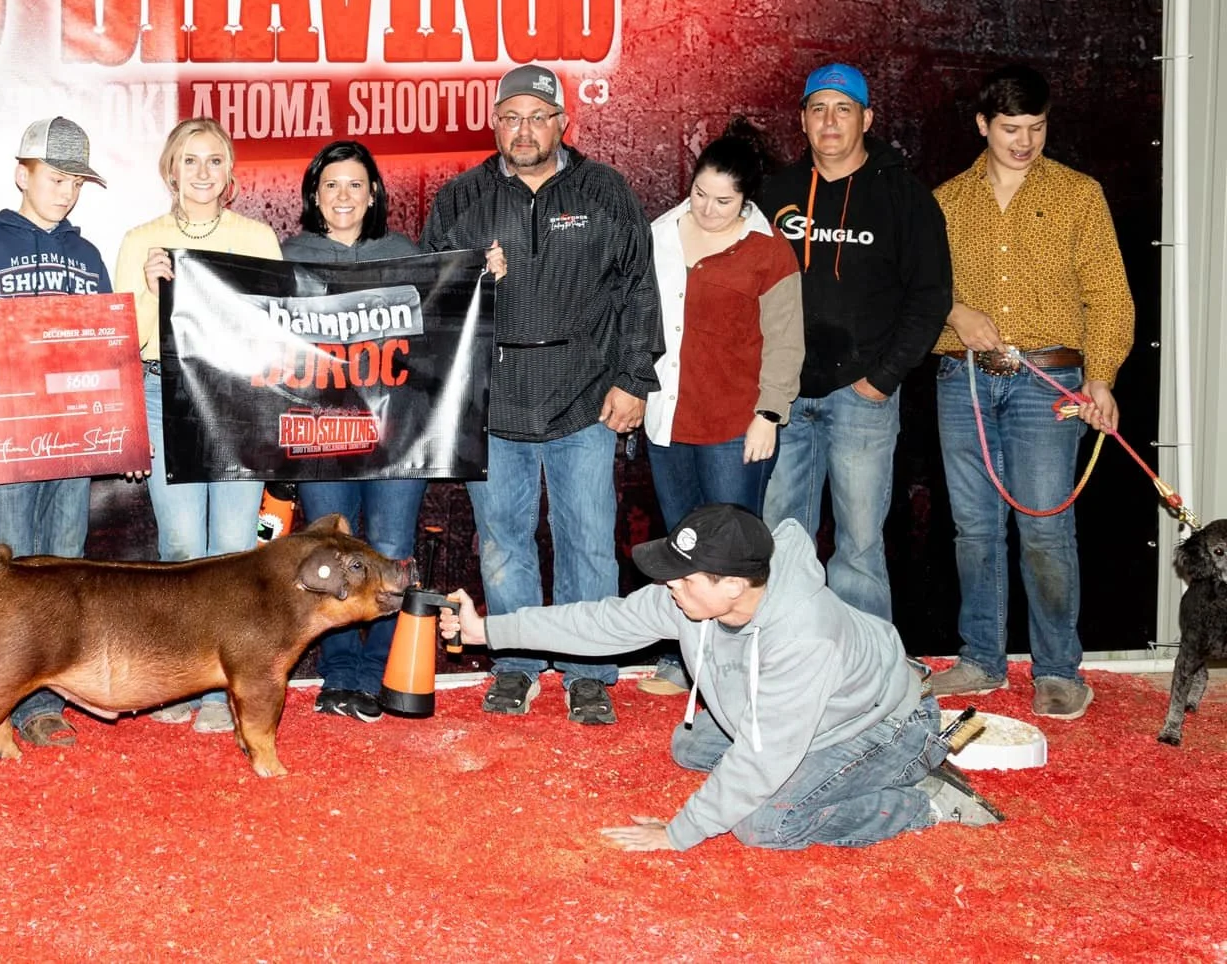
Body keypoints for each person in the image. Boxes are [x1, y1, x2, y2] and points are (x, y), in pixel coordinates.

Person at [439, 504, 1004, 851]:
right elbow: (603, 622)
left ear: (733, 585)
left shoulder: (803, 634)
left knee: (763, 823)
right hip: (809, 709)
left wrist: (680, 832)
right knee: (692, 747)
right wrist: (489, 631)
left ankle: (920, 799)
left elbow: (761, 757)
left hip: (883, 721)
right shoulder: (695, 597)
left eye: (683, 580)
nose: (668, 588)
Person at [422, 65, 662, 725]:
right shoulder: (461, 199)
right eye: (510, 117)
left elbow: (639, 289)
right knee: (502, 542)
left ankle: (589, 673)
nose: (523, 130)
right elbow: (428, 298)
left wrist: (634, 378)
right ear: (494, 122)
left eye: (538, 116)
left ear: (563, 122)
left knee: (587, 539)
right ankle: (519, 664)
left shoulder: (606, 191)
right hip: (495, 402)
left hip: (585, 399)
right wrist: (472, 276)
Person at [926, 66, 1134, 721]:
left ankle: (1056, 669)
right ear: (983, 125)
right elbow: (915, 300)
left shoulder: (1079, 196)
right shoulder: (945, 203)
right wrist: (957, 316)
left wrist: (1100, 376)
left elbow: (1108, 295)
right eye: (1011, 129)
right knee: (973, 530)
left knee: (1046, 526)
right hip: (961, 382)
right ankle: (981, 658)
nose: (1025, 141)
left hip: (1051, 383)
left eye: (1037, 128)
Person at [761, 63, 952, 622]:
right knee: (778, 538)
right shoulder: (778, 193)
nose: (830, 121)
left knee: (860, 548)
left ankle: (865, 676)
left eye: (843, 109)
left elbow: (931, 296)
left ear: (866, 118)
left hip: (862, 398)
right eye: (818, 108)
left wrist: (881, 379)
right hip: (785, 401)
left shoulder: (904, 197)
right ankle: (782, 659)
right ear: (801, 120)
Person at [0, 114, 114, 749]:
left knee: (63, 568)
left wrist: (113, 432)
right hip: (6, 439)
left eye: (77, 181)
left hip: (71, 444)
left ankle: (45, 703)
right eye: (55, 176)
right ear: (23, 173)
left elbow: (105, 353)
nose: (67, 191)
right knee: (9, 569)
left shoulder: (87, 255)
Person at [112, 116, 281, 734]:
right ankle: (178, 678)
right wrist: (157, 289)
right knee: (181, 550)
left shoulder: (257, 238)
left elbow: (272, 333)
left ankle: (224, 691)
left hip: (237, 400)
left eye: (214, 161)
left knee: (234, 551)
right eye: (190, 160)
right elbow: (126, 341)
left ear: (229, 173)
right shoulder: (140, 241)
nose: (202, 172)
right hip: (163, 393)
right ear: (170, 170)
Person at [638, 122, 802, 696]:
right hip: (669, 419)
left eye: (724, 201)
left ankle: (745, 663)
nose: (708, 209)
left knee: (733, 554)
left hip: (736, 424)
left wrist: (770, 414)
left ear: (747, 200)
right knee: (681, 545)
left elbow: (786, 340)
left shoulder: (768, 252)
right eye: (699, 194)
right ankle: (682, 659)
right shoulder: (656, 236)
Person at [280, 140, 427, 723]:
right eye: (331, 185)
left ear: (373, 195)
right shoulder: (289, 256)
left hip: (398, 433)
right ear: (316, 195)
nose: (343, 196)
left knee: (390, 554)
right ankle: (339, 674)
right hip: (320, 433)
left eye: (355, 185)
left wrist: (480, 280)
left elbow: (439, 331)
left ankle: (375, 675)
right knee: (329, 556)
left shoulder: (404, 253)